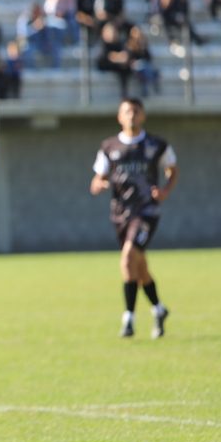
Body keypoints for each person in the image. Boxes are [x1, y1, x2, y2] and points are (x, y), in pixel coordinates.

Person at [90, 98, 177, 339]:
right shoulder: (109, 146)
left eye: (136, 111)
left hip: (147, 211)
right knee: (139, 266)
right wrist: (99, 184)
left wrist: (166, 190)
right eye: (127, 111)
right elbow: (98, 177)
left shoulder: (156, 144)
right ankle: (159, 309)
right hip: (120, 213)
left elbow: (172, 168)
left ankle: (128, 318)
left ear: (143, 116)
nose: (131, 115)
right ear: (119, 117)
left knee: (128, 256)